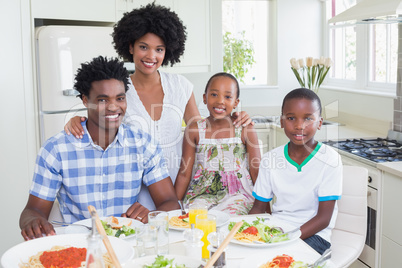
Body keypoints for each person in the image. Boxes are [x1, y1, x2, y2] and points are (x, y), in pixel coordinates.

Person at [64, 3, 252, 211]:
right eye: (143, 47)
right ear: (130, 47)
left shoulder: (180, 85)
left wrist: (235, 117)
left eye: (159, 49)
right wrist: (77, 120)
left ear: (168, 51)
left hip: (180, 183)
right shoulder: (119, 90)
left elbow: (203, 129)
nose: (151, 56)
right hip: (134, 186)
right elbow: (101, 120)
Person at [20, 56, 179, 240]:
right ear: (86, 100)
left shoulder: (143, 144)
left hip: (128, 241)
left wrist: (152, 215)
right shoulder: (56, 149)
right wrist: (32, 221)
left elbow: (170, 202)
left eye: (120, 98)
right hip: (79, 245)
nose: (113, 107)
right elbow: (33, 210)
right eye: (103, 100)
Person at [249, 88, 342, 254]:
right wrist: (244, 231)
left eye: (308, 119)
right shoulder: (270, 159)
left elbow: (324, 219)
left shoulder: (330, 159)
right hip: (277, 230)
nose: (299, 126)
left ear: (319, 123)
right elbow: (258, 208)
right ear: (282, 122)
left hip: (316, 235)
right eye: (291, 118)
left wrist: (288, 238)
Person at [174, 72, 261, 215]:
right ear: (204, 98)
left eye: (227, 97)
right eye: (214, 94)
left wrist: (265, 208)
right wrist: (174, 207)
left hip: (239, 196)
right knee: (195, 220)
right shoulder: (194, 129)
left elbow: (256, 172)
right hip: (202, 195)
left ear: (236, 103)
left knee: (230, 221)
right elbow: (184, 174)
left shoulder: (245, 129)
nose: (220, 101)